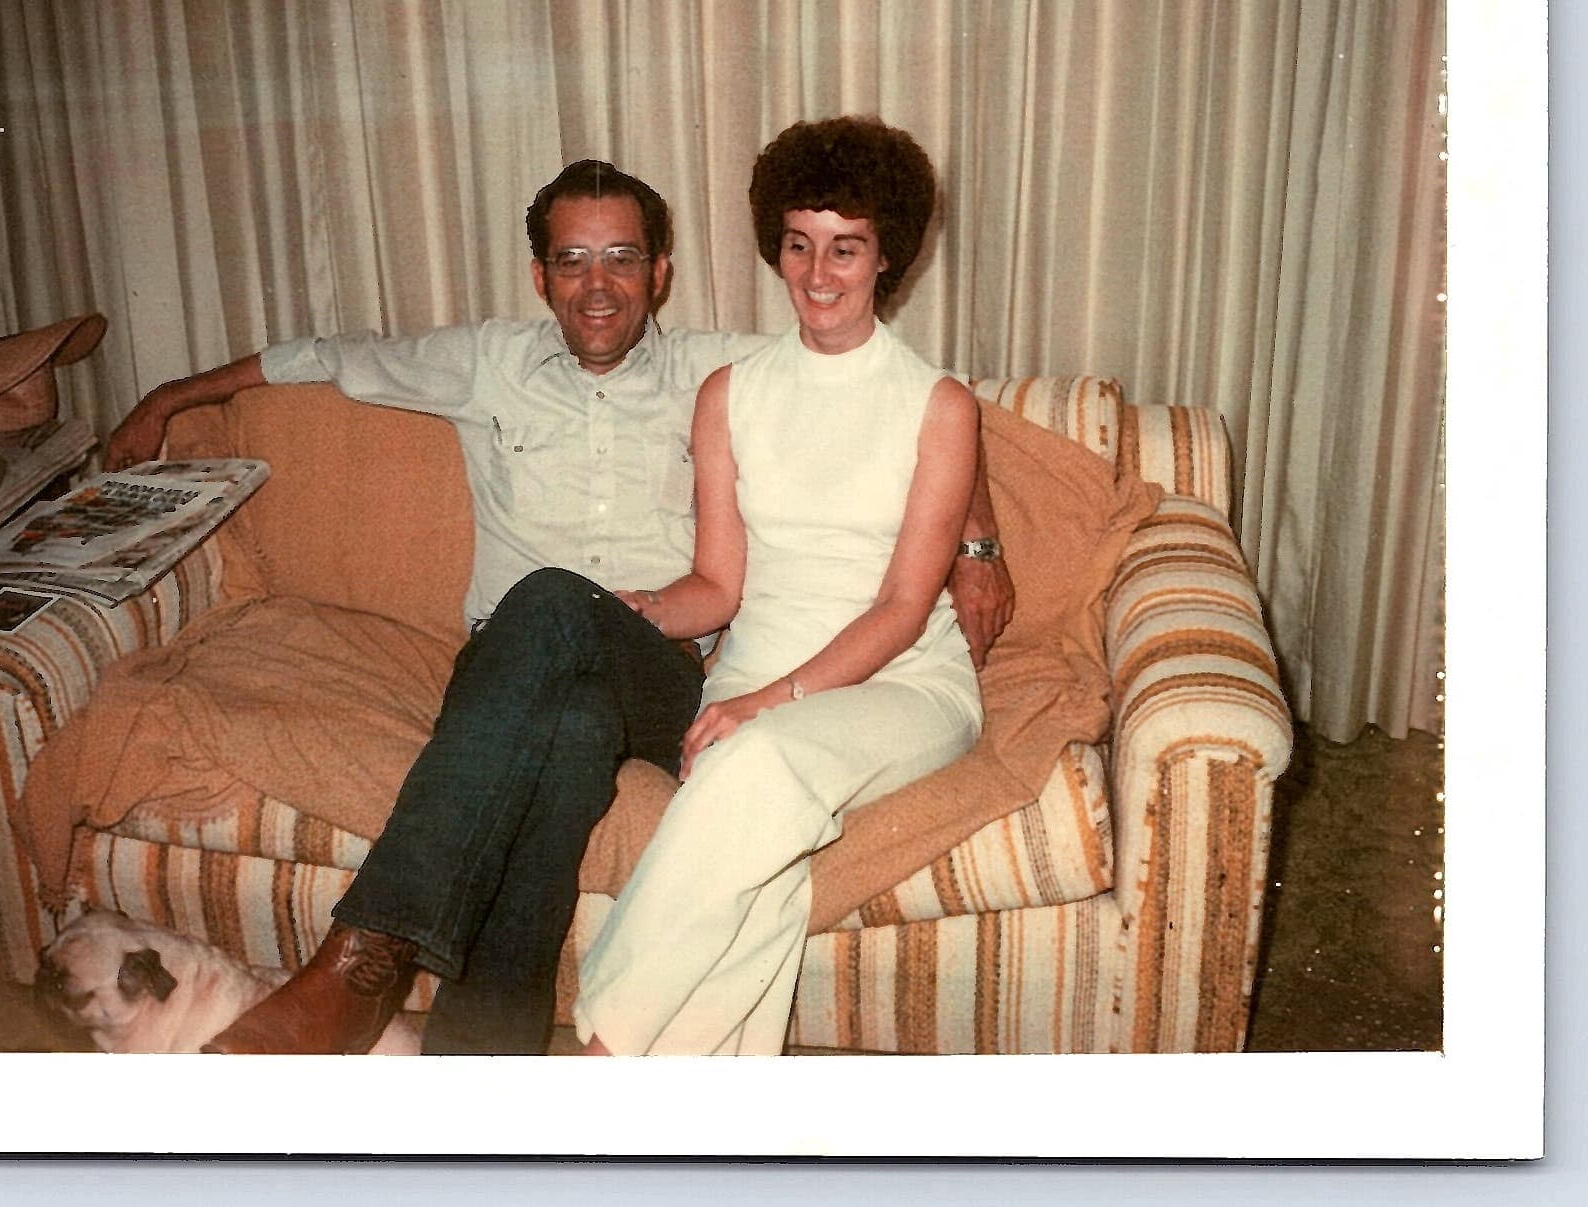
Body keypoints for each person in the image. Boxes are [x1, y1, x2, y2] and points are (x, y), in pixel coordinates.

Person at [102, 156, 1014, 1056]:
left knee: (547, 606)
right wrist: (168, 396)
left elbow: (906, 421)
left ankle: (360, 958)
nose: (598, 286)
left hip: (669, 671)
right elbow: (330, 358)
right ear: (541, 274)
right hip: (544, 659)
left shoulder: (726, 370)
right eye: (572, 262)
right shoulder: (516, 365)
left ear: (661, 272)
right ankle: (480, 1071)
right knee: (565, 716)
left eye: (622, 258)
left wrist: (978, 544)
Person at [575, 118, 982, 1056]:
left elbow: (903, 607)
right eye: (799, 244)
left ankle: (594, 1064)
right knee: (759, 873)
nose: (818, 272)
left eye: (847, 247)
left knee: (753, 765)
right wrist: (639, 610)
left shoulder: (938, 405)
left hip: (904, 684)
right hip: (751, 680)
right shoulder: (729, 393)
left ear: (888, 258)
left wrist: (769, 702)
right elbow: (718, 584)